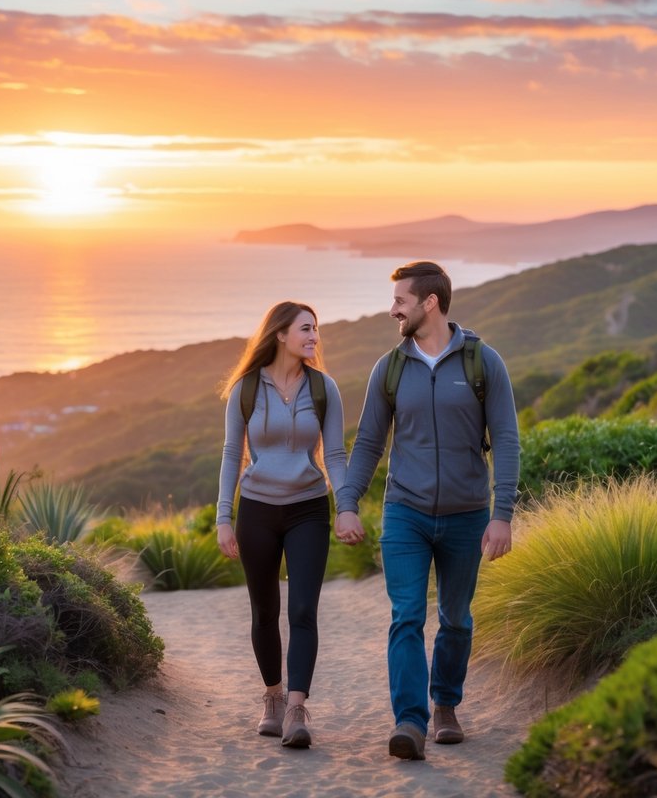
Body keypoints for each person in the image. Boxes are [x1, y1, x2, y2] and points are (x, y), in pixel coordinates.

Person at [334, 261, 520, 761]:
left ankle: (445, 706)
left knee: (456, 619)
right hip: (405, 513)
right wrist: (347, 504)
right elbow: (369, 442)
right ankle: (410, 722)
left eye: (401, 300)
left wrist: (502, 514)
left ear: (429, 303)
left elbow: (505, 439)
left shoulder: (484, 363)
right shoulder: (390, 368)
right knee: (407, 616)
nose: (392, 308)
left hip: (467, 515)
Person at [216, 301, 362, 749]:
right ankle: (273, 698)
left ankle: (297, 709)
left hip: (308, 509)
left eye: (316, 329)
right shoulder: (245, 389)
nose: (314, 336)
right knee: (264, 611)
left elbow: (335, 455)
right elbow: (230, 454)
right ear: (280, 333)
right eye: (305, 328)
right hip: (256, 510)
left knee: (302, 611)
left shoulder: (323, 388)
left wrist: (346, 505)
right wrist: (224, 516)